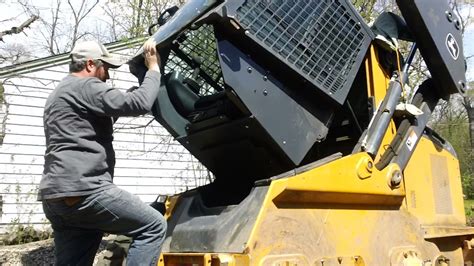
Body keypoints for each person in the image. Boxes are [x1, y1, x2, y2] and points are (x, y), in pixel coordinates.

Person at [39, 39, 166, 266]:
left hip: (56, 198)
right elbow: (140, 104)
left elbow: (100, 115)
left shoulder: (59, 93)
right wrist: (153, 69)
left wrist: (138, 87)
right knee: (153, 226)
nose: (107, 75)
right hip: (86, 192)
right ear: (90, 64)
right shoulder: (86, 86)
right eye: (105, 67)